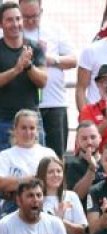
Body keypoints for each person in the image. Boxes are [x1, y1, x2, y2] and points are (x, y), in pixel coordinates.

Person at [21, 0, 75, 158]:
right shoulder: (12, 32)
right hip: (25, 105)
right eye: (25, 17)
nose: (30, 21)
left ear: (41, 11)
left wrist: (51, 59)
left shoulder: (55, 30)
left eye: (34, 16)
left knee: (56, 157)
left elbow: (73, 60)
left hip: (54, 103)